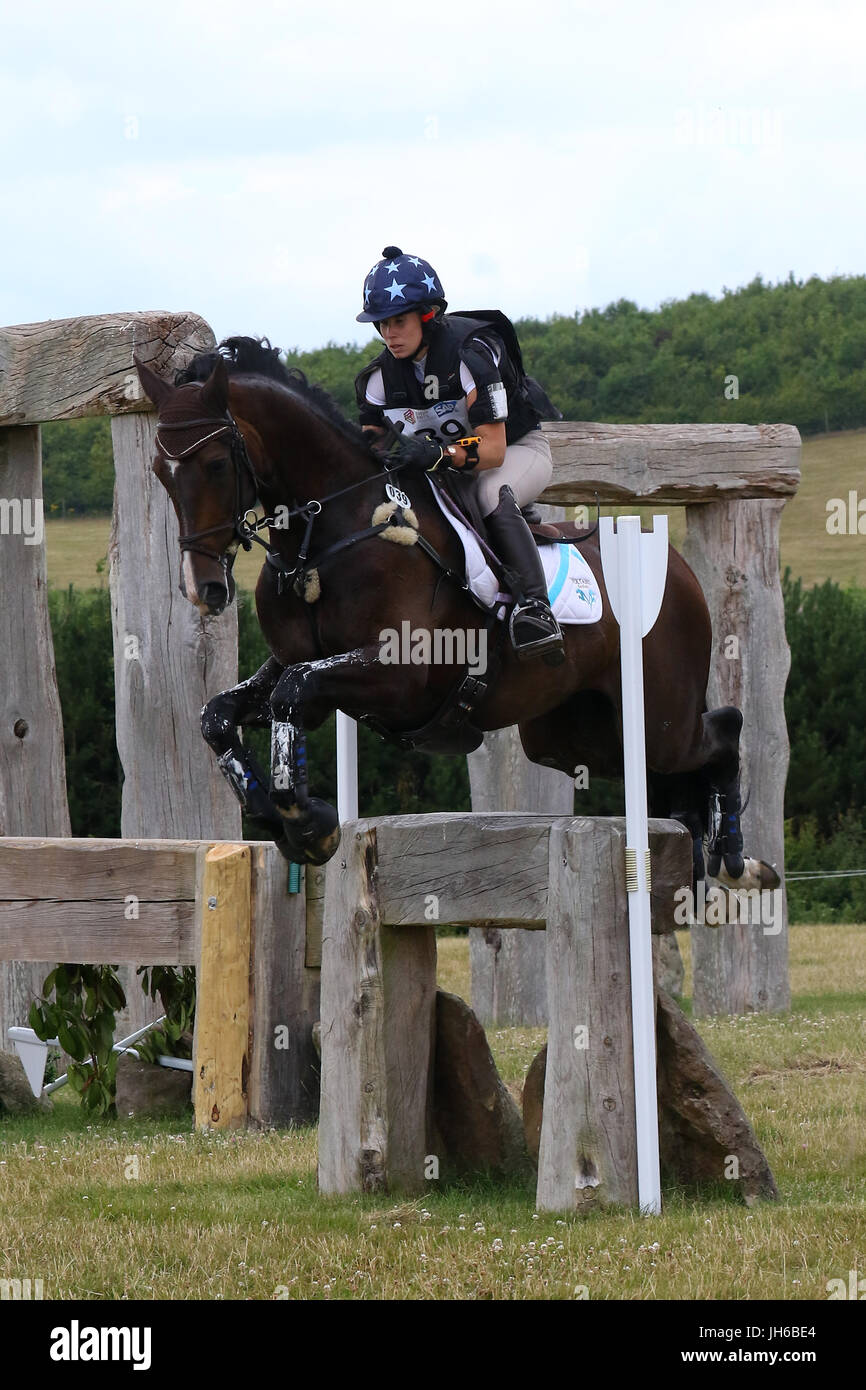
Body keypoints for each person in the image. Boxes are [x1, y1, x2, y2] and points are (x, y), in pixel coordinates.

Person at [354, 246, 564, 665]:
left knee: (490, 495)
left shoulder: (472, 356)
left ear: (428, 316)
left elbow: (492, 448)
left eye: (399, 321)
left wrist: (436, 455)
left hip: (515, 453)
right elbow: (369, 454)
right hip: (445, 470)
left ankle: (535, 609)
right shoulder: (378, 381)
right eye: (382, 324)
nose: (389, 333)